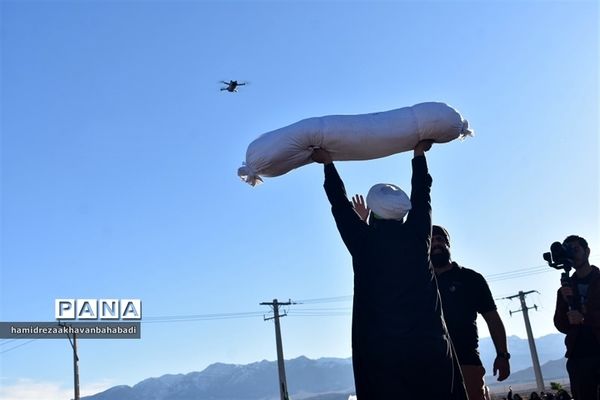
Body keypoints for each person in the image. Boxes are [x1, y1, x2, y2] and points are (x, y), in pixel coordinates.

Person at [311, 141, 466, 400]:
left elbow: (338, 203)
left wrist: (327, 162)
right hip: (430, 349)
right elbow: (422, 194)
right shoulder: (418, 237)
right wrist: (418, 153)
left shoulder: (363, 242)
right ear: (403, 214)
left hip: (381, 356)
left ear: (372, 213)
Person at [346, 220, 511, 399]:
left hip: (465, 363)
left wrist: (502, 354)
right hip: (422, 367)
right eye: (431, 240)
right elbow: (377, 265)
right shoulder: (412, 282)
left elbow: (492, 317)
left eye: (441, 239)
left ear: (448, 245)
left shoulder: (471, 279)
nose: (436, 243)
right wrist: (364, 226)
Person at [553, 235, 600, 400]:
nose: (573, 254)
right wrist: (566, 303)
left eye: (576, 249)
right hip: (578, 357)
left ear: (587, 251)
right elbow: (561, 325)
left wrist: (584, 318)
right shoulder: (565, 289)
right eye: (569, 250)